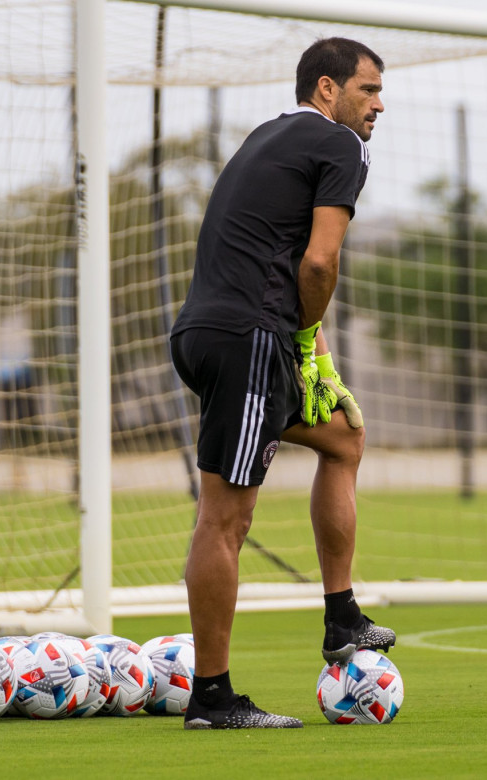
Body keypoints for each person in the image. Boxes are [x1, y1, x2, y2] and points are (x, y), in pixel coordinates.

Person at [169, 37, 394, 730]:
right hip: (249, 341)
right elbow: (319, 265)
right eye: (367, 90)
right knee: (226, 518)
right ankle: (213, 697)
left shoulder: (271, 137)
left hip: (215, 333)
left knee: (344, 439)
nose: (378, 105)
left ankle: (342, 617)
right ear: (326, 90)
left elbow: (276, 254)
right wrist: (303, 343)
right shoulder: (340, 147)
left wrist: (314, 359)